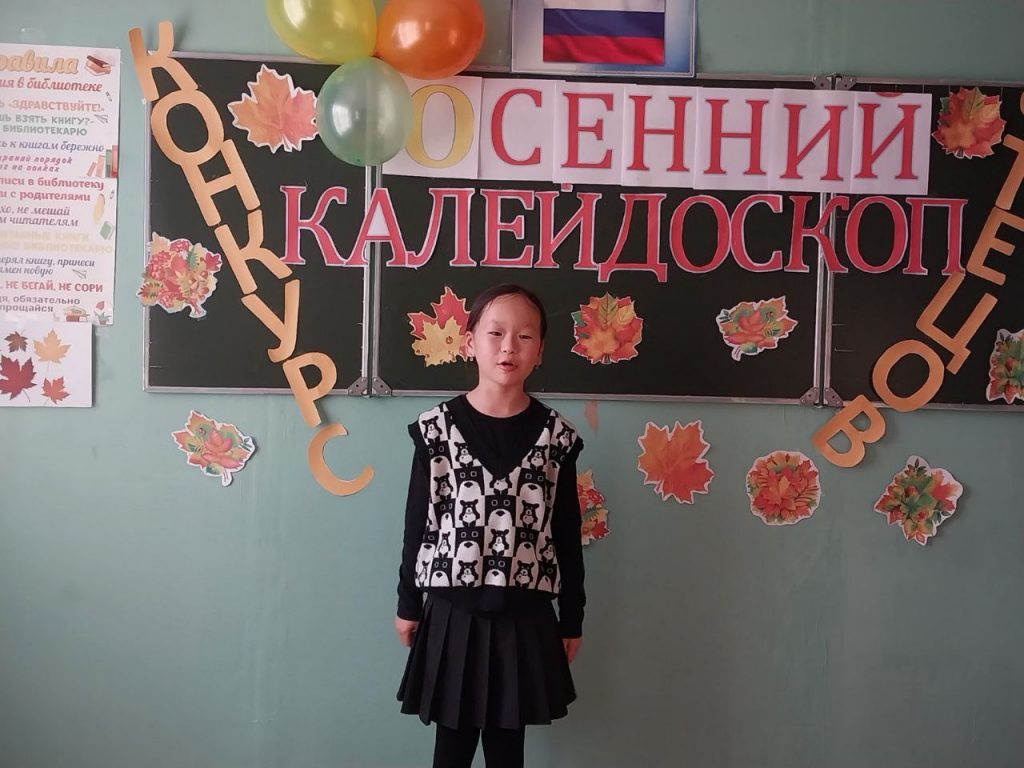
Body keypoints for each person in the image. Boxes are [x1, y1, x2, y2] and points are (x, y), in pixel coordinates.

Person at [395, 283, 586, 768]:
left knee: (507, 750)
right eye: (496, 333)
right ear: (470, 342)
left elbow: (566, 533)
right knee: (451, 748)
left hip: (524, 615)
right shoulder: (436, 431)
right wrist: (407, 602)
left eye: (525, 336)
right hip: (452, 610)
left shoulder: (557, 438)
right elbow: (418, 521)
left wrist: (572, 616)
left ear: (540, 351)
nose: (508, 347)